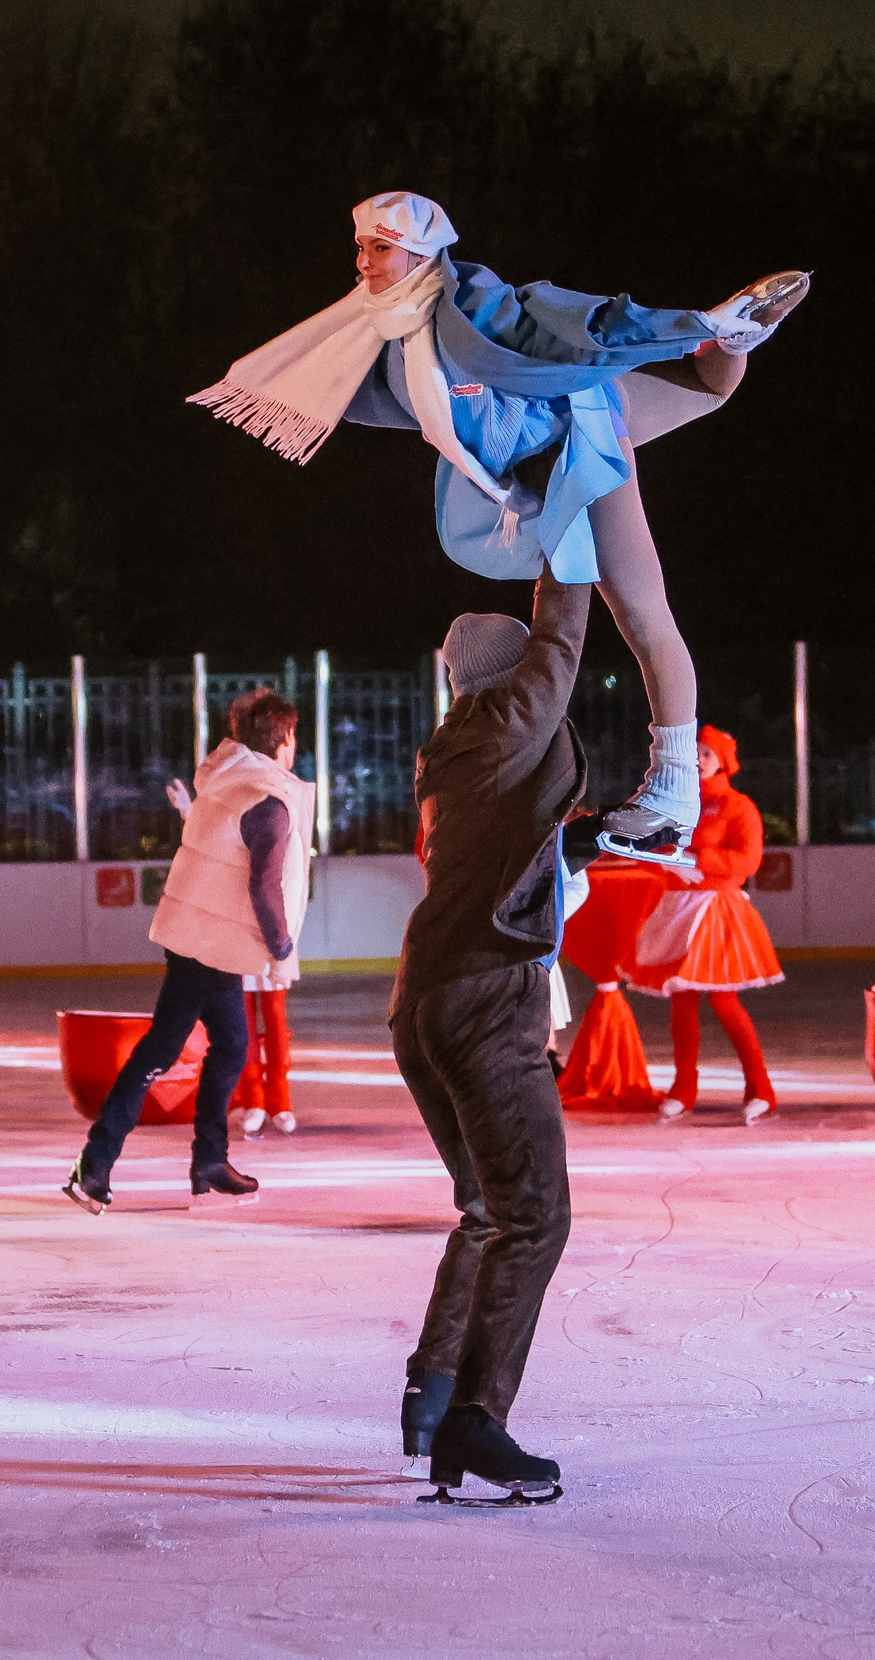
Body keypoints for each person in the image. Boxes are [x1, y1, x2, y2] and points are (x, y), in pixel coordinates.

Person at [190, 190, 808, 868]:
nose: (363, 260)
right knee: (708, 389)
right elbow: (361, 386)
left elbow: (576, 325)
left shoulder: (472, 306)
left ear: (422, 254)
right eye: (361, 246)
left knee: (638, 605)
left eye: (380, 247)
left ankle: (674, 790)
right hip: (551, 441)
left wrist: (687, 322)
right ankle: (737, 337)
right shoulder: (393, 334)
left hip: (584, 426)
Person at [391, 568, 592, 1507]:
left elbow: (511, 842)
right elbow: (560, 645)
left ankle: (434, 1396)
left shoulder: (454, 749)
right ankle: (475, 1417)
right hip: (484, 999)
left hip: (422, 997)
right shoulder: (513, 722)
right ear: (504, 675)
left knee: (486, 1204)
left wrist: (593, 841)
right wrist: (575, 528)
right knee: (533, 1217)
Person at [64, 690, 308, 1212]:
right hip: (208, 943)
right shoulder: (267, 799)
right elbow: (264, 885)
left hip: (202, 937)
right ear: (283, 739)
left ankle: (210, 1162)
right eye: (294, 737)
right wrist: (281, 945)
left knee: (231, 1044)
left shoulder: (226, 783)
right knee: (163, 1048)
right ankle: (95, 1161)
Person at [626, 725, 783, 1123]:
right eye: (695, 753)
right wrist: (663, 859)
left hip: (716, 908)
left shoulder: (737, 806)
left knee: (723, 1000)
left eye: (707, 754)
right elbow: (655, 846)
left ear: (723, 761)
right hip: (679, 905)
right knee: (682, 1003)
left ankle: (760, 1087)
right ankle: (684, 1087)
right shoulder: (680, 803)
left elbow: (749, 862)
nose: (698, 759)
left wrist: (701, 860)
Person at [171, 771, 309, 1138]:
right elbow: (212, 835)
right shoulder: (237, 804)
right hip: (237, 936)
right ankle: (254, 1101)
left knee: (276, 1024)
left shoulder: (279, 809)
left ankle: (280, 1101)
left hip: (271, 934)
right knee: (242, 1027)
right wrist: (189, 812)